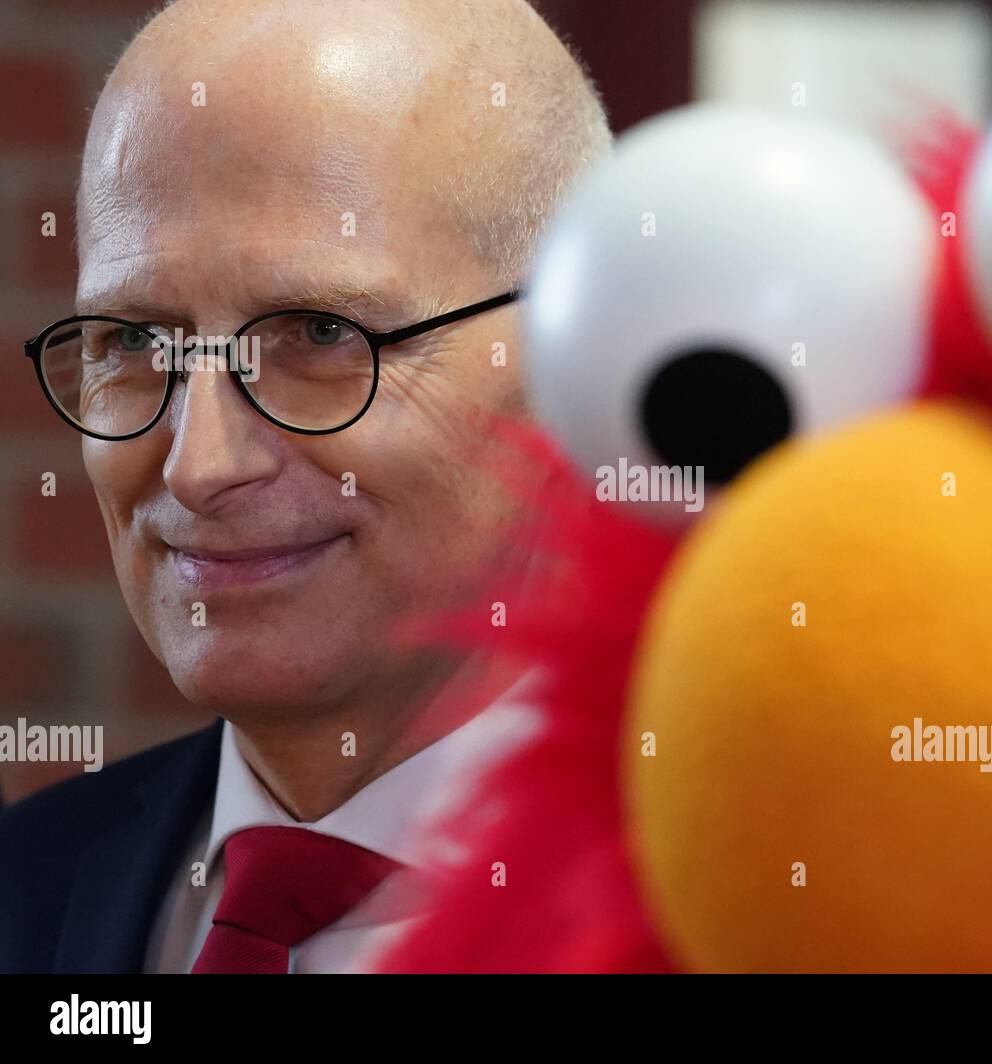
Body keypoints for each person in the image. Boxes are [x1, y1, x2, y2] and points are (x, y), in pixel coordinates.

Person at [0, 0, 611, 974]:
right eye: (135, 343)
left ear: (575, 351)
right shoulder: (23, 887)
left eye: (321, 336)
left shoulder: (759, 909)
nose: (199, 466)